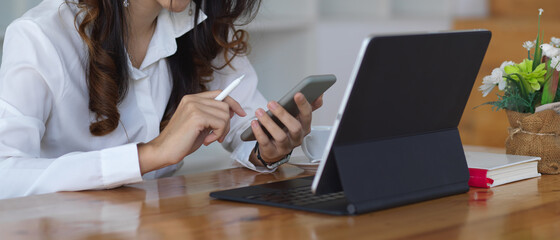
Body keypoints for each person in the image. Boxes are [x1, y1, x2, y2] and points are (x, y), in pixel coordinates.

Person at [0, 0, 323, 199]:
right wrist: (150, 155)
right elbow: (6, 176)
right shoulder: (39, 36)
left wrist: (266, 151)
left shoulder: (199, 25)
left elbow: (245, 125)